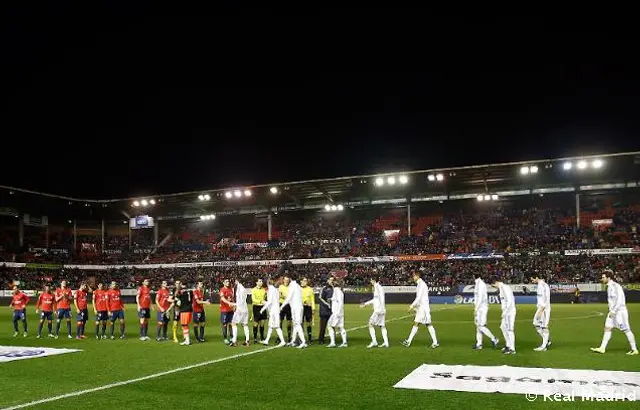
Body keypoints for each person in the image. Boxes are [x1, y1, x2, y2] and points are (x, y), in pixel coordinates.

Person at [590, 269, 638, 355]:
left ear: (608, 278)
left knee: (626, 329)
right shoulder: (609, 286)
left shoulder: (616, 286)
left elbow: (620, 300)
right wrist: (611, 311)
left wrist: (614, 311)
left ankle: (634, 349)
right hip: (612, 312)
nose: (602, 279)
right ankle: (602, 348)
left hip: (619, 312)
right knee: (607, 328)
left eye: (603, 277)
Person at [402, 271, 439, 348]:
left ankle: (435, 342)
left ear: (417, 276)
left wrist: (412, 306)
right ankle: (408, 341)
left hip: (424, 308)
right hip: (421, 308)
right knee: (418, 323)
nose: (413, 277)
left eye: (414, 276)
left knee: (427, 324)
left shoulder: (421, 284)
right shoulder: (420, 284)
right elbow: (420, 298)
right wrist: (416, 307)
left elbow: (418, 298)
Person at [281, 274, 307, 349]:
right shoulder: (298, 286)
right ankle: (293, 341)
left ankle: (303, 342)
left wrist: (282, 306)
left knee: (297, 324)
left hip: (296, 307)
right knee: (296, 324)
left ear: (290, 279)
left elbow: (289, 297)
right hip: (299, 307)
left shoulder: (292, 286)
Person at [360, 277, 388, 348]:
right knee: (382, 326)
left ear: (374, 280)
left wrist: (380, 308)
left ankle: (374, 341)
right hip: (382, 309)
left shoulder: (377, 287)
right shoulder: (379, 287)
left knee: (370, 324)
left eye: (371, 280)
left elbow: (379, 299)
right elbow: (376, 299)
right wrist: (366, 304)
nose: (370, 282)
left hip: (378, 310)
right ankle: (386, 342)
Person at [473, 273, 498, 350]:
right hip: (479, 308)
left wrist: (476, 309)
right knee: (478, 327)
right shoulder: (478, 284)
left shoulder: (481, 284)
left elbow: (480, 298)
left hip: (482, 308)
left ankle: (494, 338)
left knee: (481, 326)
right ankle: (479, 344)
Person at [491, 276, 516, 354]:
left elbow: (510, 300)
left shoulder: (505, 288)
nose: (494, 287)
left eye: (493, 285)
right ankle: (508, 345)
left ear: (496, 282)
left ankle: (512, 349)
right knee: (502, 327)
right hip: (506, 312)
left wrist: (506, 312)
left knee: (509, 329)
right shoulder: (501, 289)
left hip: (509, 312)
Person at [259, 277, 286, 347]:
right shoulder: (274, 289)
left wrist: (263, 308)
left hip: (274, 311)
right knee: (271, 326)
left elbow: (270, 301)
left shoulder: (271, 290)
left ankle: (282, 341)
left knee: (276, 326)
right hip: (275, 310)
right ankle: (267, 340)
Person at [532, 274, 551, 351]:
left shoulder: (542, 286)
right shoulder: (542, 285)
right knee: (536, 324)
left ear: (536, 277)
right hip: (540, 308)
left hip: (544, 309)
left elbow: (545, 299)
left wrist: (541, 310)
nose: (532, 281)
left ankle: (544, 347)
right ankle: (547, 341)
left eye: (532, 279)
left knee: (544, 327)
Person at [229, 279, 250, 347]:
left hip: (240, 309)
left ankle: (234, 341)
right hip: (245, 309)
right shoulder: (244, 289)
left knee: (233, 323)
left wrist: (233, 304)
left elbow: (239, 301)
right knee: (245, 325)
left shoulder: (238, 289)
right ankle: (247, 341)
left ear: (236, 281)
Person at [327, 279, 346, 348]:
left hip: (336, 312)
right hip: (339, 312)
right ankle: (344, 342)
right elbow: (336, 299)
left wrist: (338, 312)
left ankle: (333, 342)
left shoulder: (337, 291)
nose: (332, 283)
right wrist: (331, 299)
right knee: (341, 327)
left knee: (329, 325)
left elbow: (340, 302)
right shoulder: (337, 291)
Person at [174, 280, 194, 346]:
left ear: (181, 283)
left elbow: (176, 299)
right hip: (190, 310)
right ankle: (186, 340)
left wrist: (178, 302)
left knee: (184, 325)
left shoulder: (180, 291)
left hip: (184, 310)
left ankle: (187, 341)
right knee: (186, 325)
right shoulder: (190, 291)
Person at [318, 276, 334, 344]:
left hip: (332, 310)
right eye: (330, 280)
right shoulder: (324, 288)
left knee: (333, 325)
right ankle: (321, 340)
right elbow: (320, 297)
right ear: (327, 280)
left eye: (333, 280)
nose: (331, 281)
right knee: (323, 326)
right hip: (324, 310)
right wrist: (327, 304)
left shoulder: (335, 289)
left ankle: (332, 340)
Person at [251, 278, 267, 344]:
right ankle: (255, 338)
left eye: (262, 281)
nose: (261, 282)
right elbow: (253, 299)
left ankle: (262, 337)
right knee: (256, 323)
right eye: (260, 281)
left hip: (263, 307)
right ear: (256, 282)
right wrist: (260, 301)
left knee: (262, 323)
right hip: (256, 307)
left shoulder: (264, 290)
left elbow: (265, 298)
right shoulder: (253, 290)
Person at [219, 279, 235, 344]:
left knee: (231, 324)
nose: (228, 283)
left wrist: (233, 306)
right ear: (223, 283)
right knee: (224, 324)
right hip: (224, 310)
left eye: (228, 281)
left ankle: (231, 337)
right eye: (226, 282)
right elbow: (222, 298)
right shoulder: (222, 290)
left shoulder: (230, 290)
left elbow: (232, 299)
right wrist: (228, 303)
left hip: (230, 310)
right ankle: (225, 338)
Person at [301, 277, 315, 343]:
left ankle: (309, 338)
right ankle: (301, 338)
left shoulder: (310, 289)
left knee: (308, 323)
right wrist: (303, 302)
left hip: (308, 308)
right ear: (301, 281)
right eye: (304, 281)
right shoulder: (298, 289)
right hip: (300, 308)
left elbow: (312, 299)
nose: (305, 282)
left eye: (306, 281)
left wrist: (313, 308)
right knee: (300, 323)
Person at [279, 276, 292, 343]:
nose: (286, 281)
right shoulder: (280, 287)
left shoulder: (291, 287)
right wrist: (285, 296)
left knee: (289, 322)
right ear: (283, 280)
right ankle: (280, 337)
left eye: (287, 280)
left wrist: (286, 297)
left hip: (289, 305)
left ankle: (289, 337)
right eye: (285, 280)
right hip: (281, 304)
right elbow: (279, 295)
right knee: (280, 321)